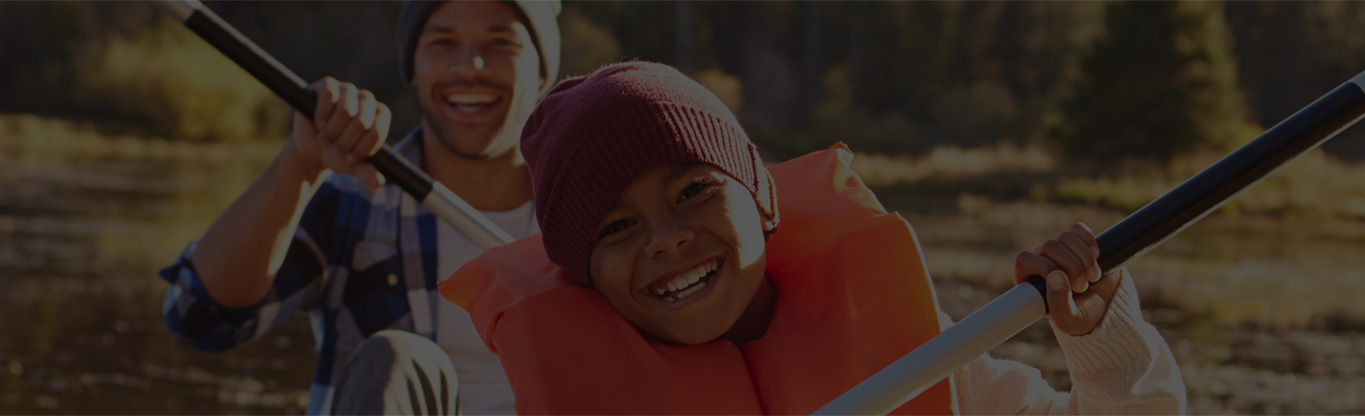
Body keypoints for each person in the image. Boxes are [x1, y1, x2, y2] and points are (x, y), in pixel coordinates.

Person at [442, 61, 1187, 414]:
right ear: (583, 277)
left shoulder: (926, 358)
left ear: (761, 196)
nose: (666, 239)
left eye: (693, 190)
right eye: (616, 227)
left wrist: (1100, 344)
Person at [158, 1, 560, 414]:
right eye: (442, 42)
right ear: (414, 70)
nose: (470, 65)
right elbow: (198, 319)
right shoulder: (352, 202)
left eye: (500, 42)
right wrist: (300, 163)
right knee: (396, 358)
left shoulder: (597, 217)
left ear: (542, 70)